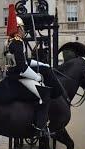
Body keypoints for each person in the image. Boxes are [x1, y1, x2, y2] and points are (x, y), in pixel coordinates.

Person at [4, 4, 58, 137]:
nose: (24, 31)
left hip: (12, 74)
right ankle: (40, 127)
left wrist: (43, 65)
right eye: (23, 28)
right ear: (18, 29)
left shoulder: (10, 42)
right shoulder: (18, 42)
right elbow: (23, 68)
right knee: (45, 94)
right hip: (19, 77)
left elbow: (24, 61)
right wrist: (36, 77)